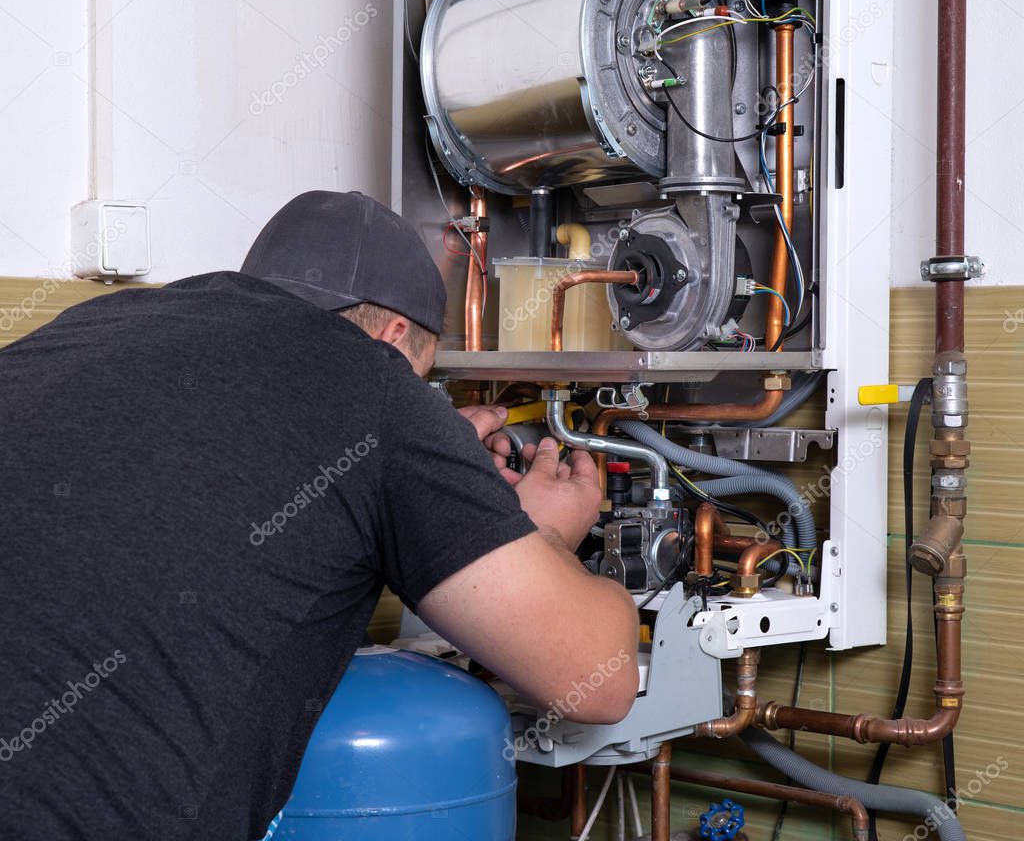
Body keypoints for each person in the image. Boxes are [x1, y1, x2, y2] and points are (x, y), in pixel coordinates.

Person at [0, 190, 639, 841]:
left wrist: (434, 477)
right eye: (423, 377)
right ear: (394, 338)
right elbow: (599, 681)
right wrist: (545, 534)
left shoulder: (95, 327)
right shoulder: (374, 381)